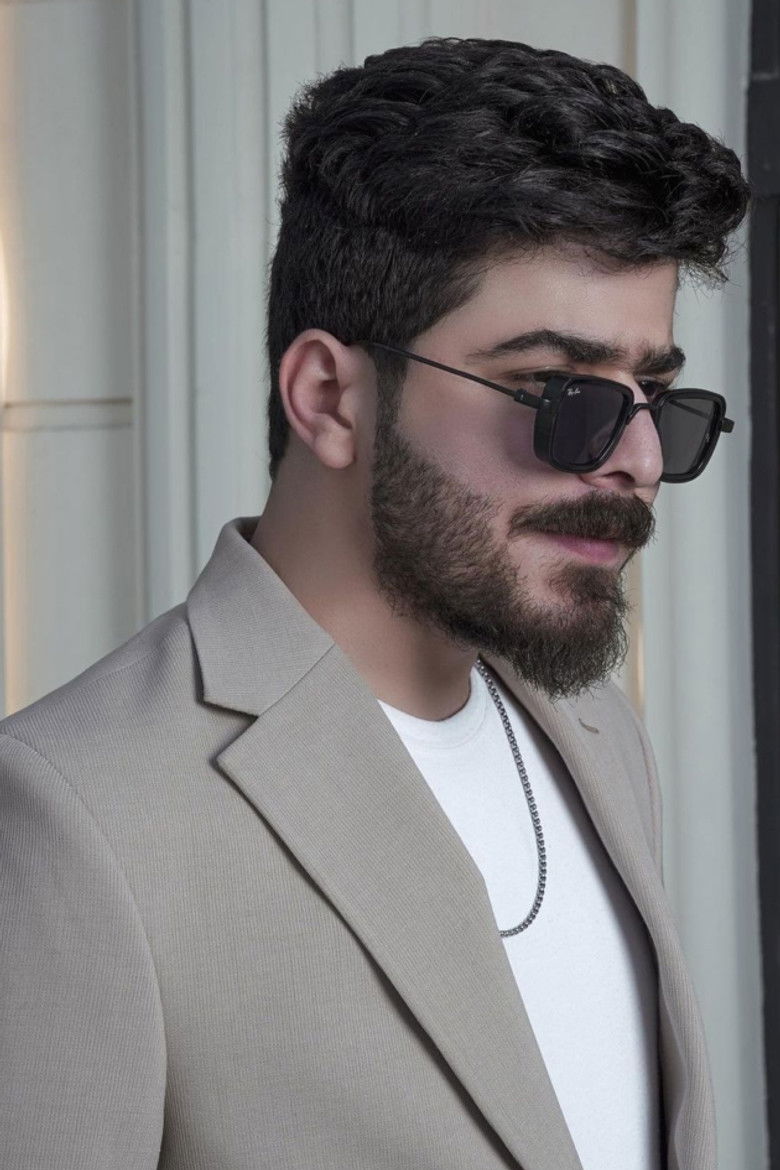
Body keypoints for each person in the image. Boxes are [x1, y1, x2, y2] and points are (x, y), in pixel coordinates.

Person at [0, 36, 749, 1170]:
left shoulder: (596, 731)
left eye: (653, 397)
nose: (638, 461)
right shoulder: (76, 817)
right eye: (561, 394)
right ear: (328, 396)